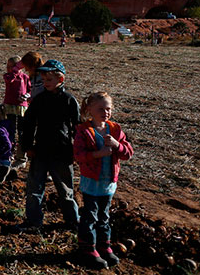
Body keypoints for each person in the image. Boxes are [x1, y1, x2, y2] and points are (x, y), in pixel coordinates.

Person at [74, 92, 133, 270]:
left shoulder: (115, 130)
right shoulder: (84, 131)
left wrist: (117, 145)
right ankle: (88, 248)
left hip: (108, 184)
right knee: (90, 216)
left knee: (104, 216)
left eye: (108, 109)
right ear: (89, 109)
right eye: (101, 109)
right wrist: (97, 154)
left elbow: (128, 154)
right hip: (91, 184)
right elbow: (78, 156)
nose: (105, 112)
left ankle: (103, 246)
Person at [19, 59, 80, 231]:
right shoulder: (39, 100)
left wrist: (78, 151)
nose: (45, 83)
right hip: (40, 151)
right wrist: (27, 146)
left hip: (62, 152)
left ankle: (72, 221)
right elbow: (28, 123)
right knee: (34, 188)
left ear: (60, 80)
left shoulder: (69, 101)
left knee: (66, 190)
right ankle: (33, 221)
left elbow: (77, 128)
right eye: (44, 80)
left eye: (49, 80)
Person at [12, 51, 45, 170]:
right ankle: (21, 159)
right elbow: (35, 91)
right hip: (34, 108)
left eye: (26, 67)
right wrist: (28, 97)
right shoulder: (34, 76)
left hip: (45, 111)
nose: (24, 69)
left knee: (44, 138)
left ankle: (48, 168)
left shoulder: (44, 75)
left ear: (32, 66)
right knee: (25, 132)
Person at [3, 56, 31, 149]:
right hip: (10, 105)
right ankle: (11, 144)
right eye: (8, 66)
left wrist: (27, 95)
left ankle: (21, 146)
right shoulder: (8, 76)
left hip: (21, 106)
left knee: (21, 128)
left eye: (12, 66)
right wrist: (14, 71)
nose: (9, 68)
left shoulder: (25, 77)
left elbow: (30, 89)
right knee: (11, 127)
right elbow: (10, 80)